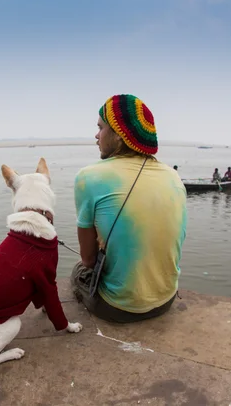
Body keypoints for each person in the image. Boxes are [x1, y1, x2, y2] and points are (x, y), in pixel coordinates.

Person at [71, 94, 188, 323]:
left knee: (78, 271)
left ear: (118, 135)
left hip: (118, 307)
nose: (96, 136)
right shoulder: (174, 177)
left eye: (100, 127)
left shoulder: (89, 177)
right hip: (166, 300)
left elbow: (87, 259)